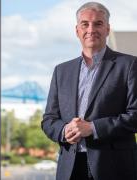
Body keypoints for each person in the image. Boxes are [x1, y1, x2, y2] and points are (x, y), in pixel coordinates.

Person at [41, 2, 137, 180]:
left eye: (98, 24)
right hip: (69, 167)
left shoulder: (130, 65)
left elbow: (135, 116)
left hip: (113, 167)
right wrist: (64, 131)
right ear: (77, 30)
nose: (91, 29)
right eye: (85, 24)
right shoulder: (61, 71)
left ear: (107, 29)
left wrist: (92, 128)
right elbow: (49, 120)